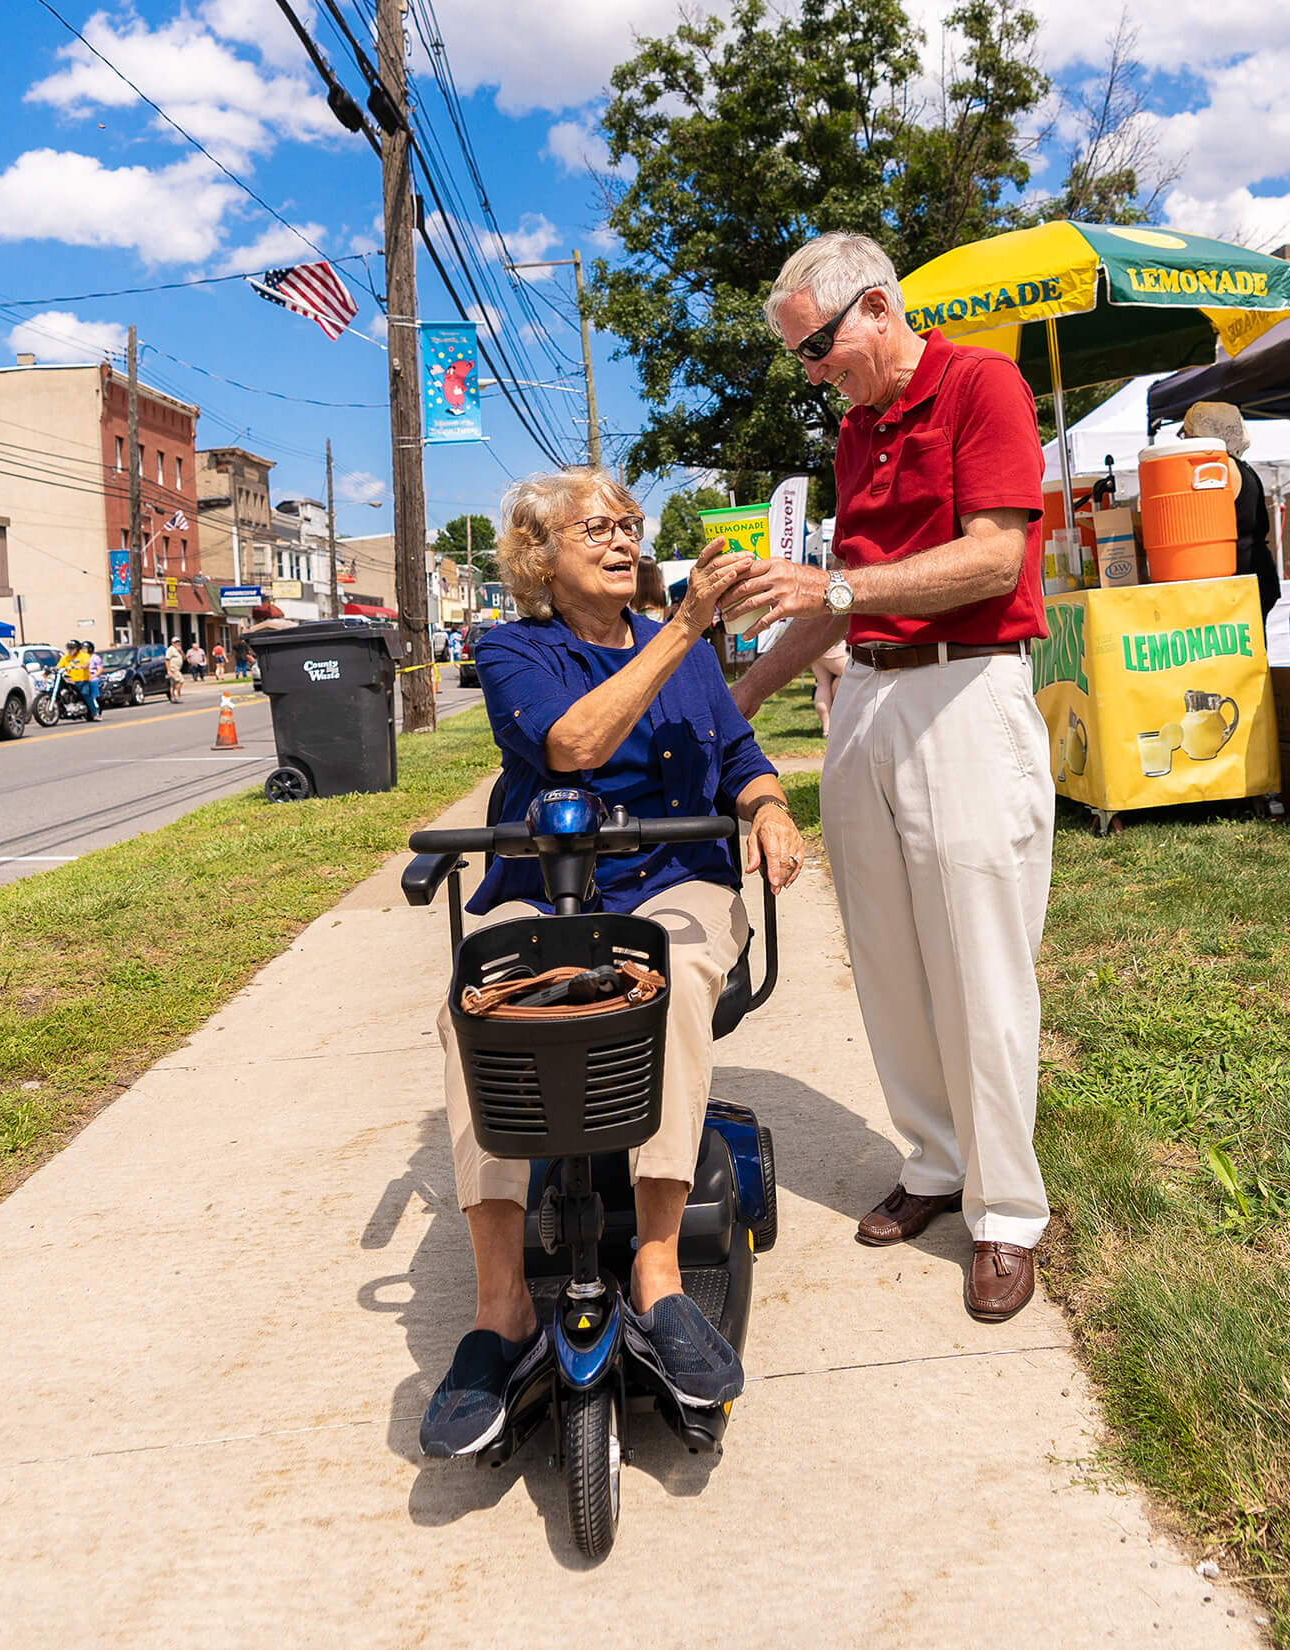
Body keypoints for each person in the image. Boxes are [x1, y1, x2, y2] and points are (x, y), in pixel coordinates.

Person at [418, 464, 806, 1458]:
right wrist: (684, 628)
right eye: (597, 527)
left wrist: (765, 804)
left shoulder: (685, 659)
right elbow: (572, 745)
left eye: (630, 524)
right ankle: (500, 1306)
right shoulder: (516, 650)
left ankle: (661, 1275)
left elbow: (739, 755)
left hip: (674, 877)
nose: (624, 538)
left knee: (664, 982)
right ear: (541, 557)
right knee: (480, 1012)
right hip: (547, 886)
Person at [722, 230, 1054, 1324]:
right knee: (886, 951)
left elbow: (996, 556)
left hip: (963, 690)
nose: (813, 372)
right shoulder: (858, 433)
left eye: (817, 347)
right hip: (867, 689)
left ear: (875, 307)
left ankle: (1005, 1211)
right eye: (801, 358)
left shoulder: (981, 385)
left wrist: (843, 592)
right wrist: (721, 704)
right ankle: (934, 1160)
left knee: (979, 956)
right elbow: (830, 603)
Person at [1183, 401, 1279, 617]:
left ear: (1203, 432)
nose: (1185, 440)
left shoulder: (1214, 469)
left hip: (1237, 577)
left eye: (1187, 433)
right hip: (1255, 570)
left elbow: (1198, 526)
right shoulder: (1243, 466)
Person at [631, 554, 668, 619]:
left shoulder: (631, 592)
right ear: (655, 572)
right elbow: (666, 615)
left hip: (637, 627)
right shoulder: (664, 592)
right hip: (658, 627)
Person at [82, 640, 103, 719]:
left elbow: (100, 669)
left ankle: (94, 699)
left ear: (90, 649)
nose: (83, 650)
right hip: (83, 677)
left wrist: (93, 676)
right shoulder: (82, 658)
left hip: (93, 676)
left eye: (85, 648)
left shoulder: (95, 658)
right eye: (82, 649)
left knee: (93, 682)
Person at [164, 637, 185, 702]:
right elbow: (167, 660)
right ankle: (176, 694)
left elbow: (184, 658)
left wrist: (180, 651)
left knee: (173, 684)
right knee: (181, 680)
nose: (177, 643)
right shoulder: (170, 649)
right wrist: (168, 670)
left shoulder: (178, 649)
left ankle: (172, 698)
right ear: (172, 643)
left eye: (178, 641)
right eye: (176, 642)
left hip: (178, 668)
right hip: (173, 668)